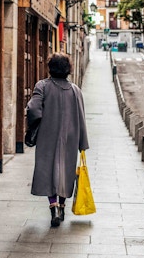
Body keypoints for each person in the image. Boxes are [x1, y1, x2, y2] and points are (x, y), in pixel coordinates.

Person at [26, 52, 89, 227]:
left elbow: (33, 109)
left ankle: (53, 206)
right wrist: (82, 143)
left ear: (50, 67)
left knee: (48, 171)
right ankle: (62, 205)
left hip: (48, 137)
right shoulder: (75, 90)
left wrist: (35, 125)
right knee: (65, 172)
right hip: (70, 138)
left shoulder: (43, 86)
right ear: (68, 69)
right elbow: (81, 117)